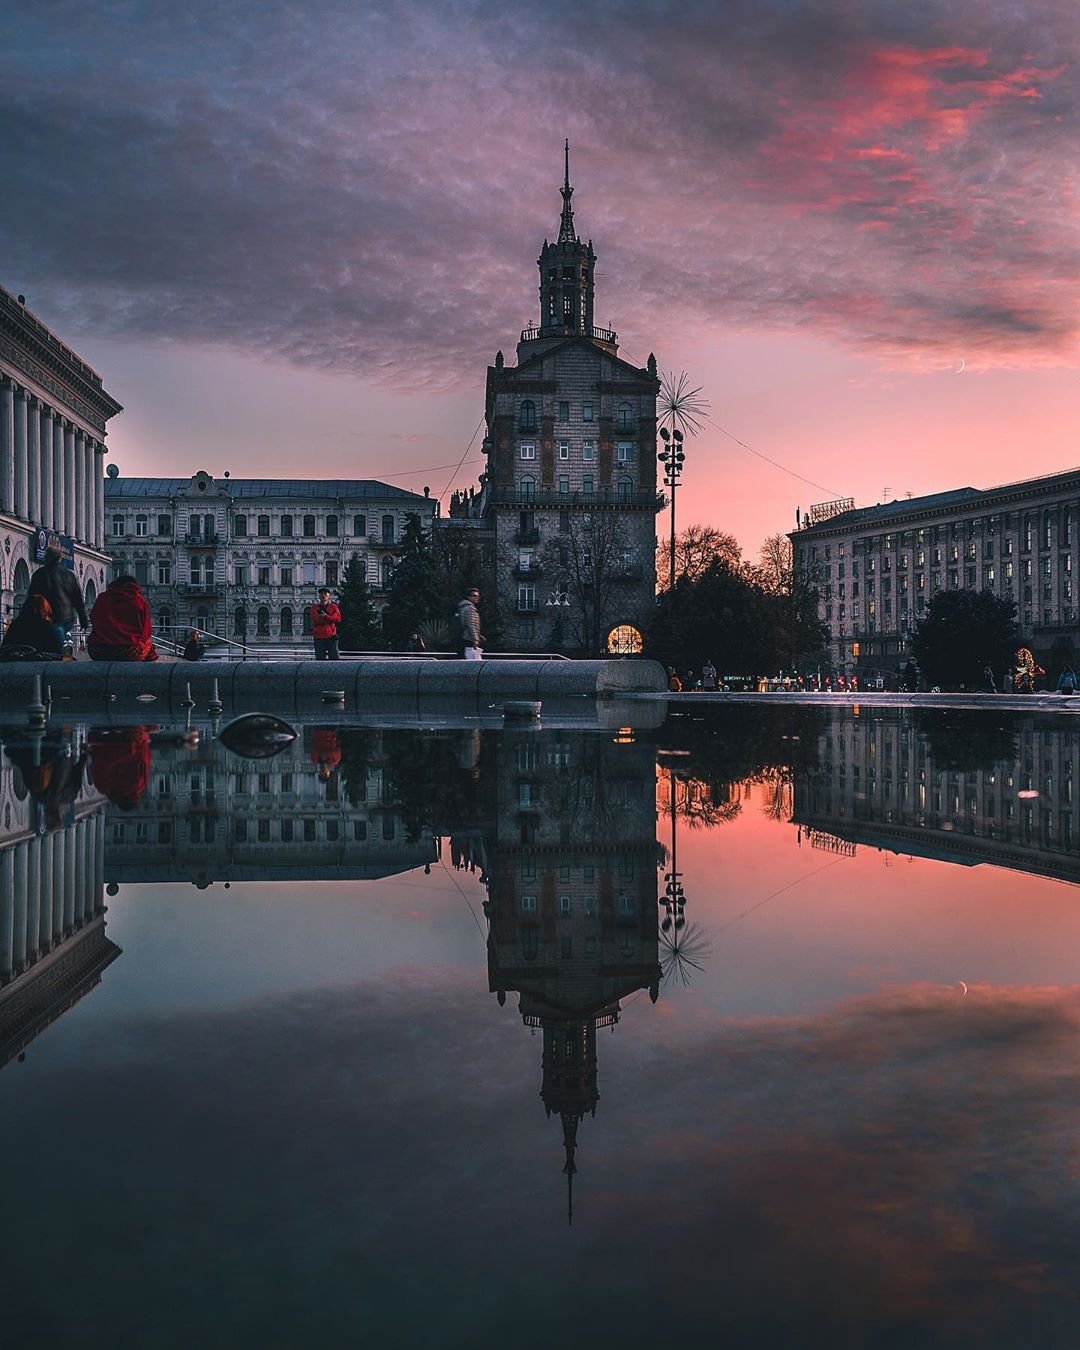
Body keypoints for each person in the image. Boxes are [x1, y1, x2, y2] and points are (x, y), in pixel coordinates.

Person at [27, 544, 89, 649]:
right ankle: (65, 659)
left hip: (50, 616)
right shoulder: (69, 575)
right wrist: (83, 619)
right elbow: (78, 599)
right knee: (62, 643)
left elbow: (32, 597)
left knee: (56, 646)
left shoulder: (40, 574)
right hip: (68, 617)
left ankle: (61, 660)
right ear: (60, 559)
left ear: (46, 557)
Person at [87, 575, 158, 662]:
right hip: (129, 651)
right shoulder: (139, 601)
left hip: (98, 650)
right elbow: (146, 631)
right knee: (149, 647)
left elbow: (93, 618)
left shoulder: (102, 598)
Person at [0, 594, 64, 659]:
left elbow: (6, 645)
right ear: (44, 609)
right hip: (38, 662)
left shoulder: (16, 623)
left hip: (15, 660)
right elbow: (54, 650)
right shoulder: (45, 625)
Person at [310, 588, 341, 660]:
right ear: (319, 596)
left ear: (329, 595)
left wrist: (325, 616)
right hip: (319, 636)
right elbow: (316, 619)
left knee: (334, 658)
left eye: (325, 594)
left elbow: (338, 618)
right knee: (320, 658)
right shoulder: (314, 608)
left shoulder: (333, 607)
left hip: (331, 636)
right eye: (321, 594)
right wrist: (330, 618)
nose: (323, 595)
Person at [457, 588, 483, 660]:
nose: (477, 598)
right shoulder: (470, 608)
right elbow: (471, 624)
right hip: (468, 637)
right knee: (471, 658)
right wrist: (475, 639)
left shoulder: (463, 607)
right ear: (468, 597)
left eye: (477, 596)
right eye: (474, 596)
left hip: (464, 636)